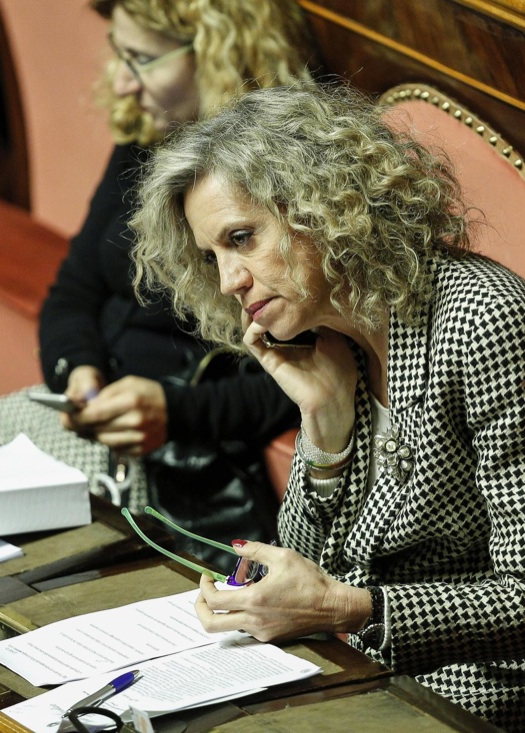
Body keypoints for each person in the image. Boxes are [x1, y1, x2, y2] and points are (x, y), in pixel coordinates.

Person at [130, 84, 525, 731]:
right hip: (385, 685)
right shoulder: (335, 344)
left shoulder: (488, 324)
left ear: (321, 205)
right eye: (214, 256)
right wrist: (324, 426)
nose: (230, 279)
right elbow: (311, 571)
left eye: (243, 238)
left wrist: (347, 608)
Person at [33, 0, 318, 567]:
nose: (121, 81)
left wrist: (175, 412)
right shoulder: (149, 135)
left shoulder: (287, 165)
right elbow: (73, 291)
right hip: (102, 438)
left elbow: (313, 376)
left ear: (217, 50)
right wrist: (77, 373)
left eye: (141, 59)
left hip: (191, 466)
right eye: (119, 53)